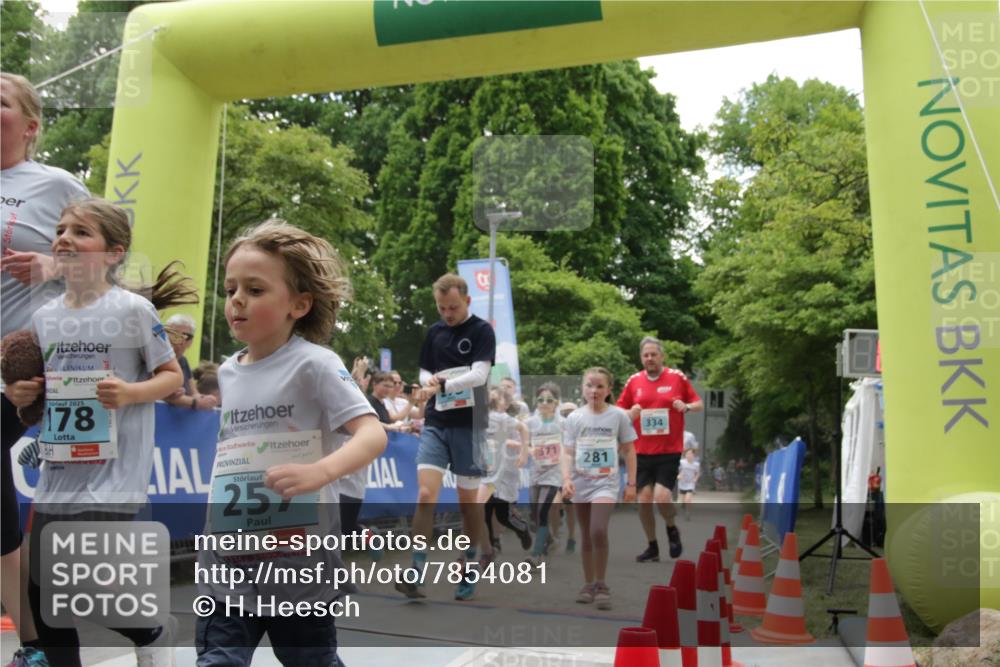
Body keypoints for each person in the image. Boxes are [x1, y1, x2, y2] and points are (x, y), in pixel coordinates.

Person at [7, 198, 198, 667]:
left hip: (115, 471)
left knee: (80, 581)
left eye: (81, 232)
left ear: (114, 253)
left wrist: (131, 392)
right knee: (43, 591)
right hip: (59, 470)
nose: (65, 238)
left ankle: (153, 630)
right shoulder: (44, 318)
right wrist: (22, 394)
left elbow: (171, 376)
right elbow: (44, 394)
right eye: (61, 229)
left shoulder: (132, 310)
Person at [196, 219, 386, 667]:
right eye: (230, 289)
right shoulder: (227, 371)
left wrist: (319, 472)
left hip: (299, 563)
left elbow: (372, 433)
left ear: (298, 305)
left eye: (256, 290)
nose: (237, 300)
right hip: (230, 554)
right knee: (218, 660)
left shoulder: (315, 365)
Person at [1, 71, 90, 665]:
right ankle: (39, 647)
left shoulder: (53, 183)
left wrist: (52, 266)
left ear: (30, 127)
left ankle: (143, 633)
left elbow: (114, 253)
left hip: (30, 374)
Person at [396, 273, 495, 601]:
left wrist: (443, 386)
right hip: (437, 422)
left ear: (467, 301)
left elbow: (480, 374)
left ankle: (469, 565)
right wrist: (428, 383)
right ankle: (415, 569)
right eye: (442, 308)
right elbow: (425, 370)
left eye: (452, 307)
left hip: (470, 424)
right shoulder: (434, 333)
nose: (447, 314)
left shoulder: (481, 331)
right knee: (425, 494)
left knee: (469, 507)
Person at [616, 336, 702, 562]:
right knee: (643, 501)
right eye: (646, 355)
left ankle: (672, 529)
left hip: (668, 450)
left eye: (654, 354)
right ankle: (652, 546)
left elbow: (698, 403)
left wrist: (686, 406)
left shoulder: (676, 377)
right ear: (641, 358)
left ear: (662, 356)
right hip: (641, 451)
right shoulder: (634, 381)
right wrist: (629, 413)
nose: (650, 358)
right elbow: (619, 410)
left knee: (662, 497)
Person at [561, 367, 637, 611]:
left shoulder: (618, 416)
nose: (594, 391)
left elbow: (629, 450)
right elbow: (567, 452)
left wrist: (631, 483)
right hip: (581, 482)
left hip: (606, 483)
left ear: (608, 390)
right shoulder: (574, 418)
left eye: (599, 386)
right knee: (586, 534)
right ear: (582, 388)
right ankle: (588, 584)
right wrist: (565, 479)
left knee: (597, 530)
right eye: (589, 386)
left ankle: (602, 584)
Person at [478, 386, 531, 560]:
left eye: (498, 397)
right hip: (486, 473)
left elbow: (523, 428)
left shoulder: (505, 419)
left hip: (505, 472)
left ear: (506, 404)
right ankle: (490, 548)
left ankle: (522, 529)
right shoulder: (481, 416)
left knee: (502, 516)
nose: (493, 398)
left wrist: (524, 452)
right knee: (484, 511)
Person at [524, 382, 564, 566]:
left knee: (542, 511)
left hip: (554, 474)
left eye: (549, 400)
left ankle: (536, 554)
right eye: (541, 399)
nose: (544, 403)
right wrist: (530, 449)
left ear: (556, 402)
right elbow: (524, 443)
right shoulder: (530, 423)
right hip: (536, 473)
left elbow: (571, 446)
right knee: (535, 515)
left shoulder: (563, 423)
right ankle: (551, 540)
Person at [162, 313, 218, 410]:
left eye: (186, 336)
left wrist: (206, 399)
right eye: (174, 333)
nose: (179, 339)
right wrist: (195, 402)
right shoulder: (156, 358)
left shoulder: (183, 361)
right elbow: (159, 393)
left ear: (191, 342)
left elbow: (194, 393)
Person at [677, 448, 700, 520]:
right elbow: (676, 470)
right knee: (683, 500)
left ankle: (688, 512)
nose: (688, 455)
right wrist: (679, 476)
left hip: (690, 483)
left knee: (688, 498)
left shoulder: (696, 464)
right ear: (685, 455)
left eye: (690, 454)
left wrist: (695, 478)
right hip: (682, 483)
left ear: (694, 455)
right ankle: (684, 505)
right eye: (687, 454)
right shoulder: (682, 462)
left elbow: (698, 473)